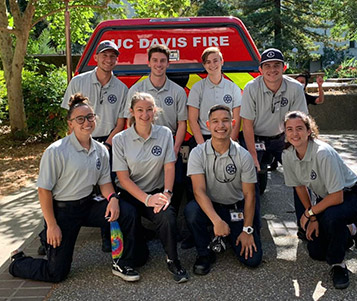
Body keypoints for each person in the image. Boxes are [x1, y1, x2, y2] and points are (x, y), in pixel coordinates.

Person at [9, 94, 142, 283]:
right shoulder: (56, 151)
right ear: (70, 123)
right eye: (80, 119)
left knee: (126, 212)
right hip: (64, 211)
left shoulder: (101, 150)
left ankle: (122, 262)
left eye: (90, 117)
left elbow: (104, 182)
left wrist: (112, 199)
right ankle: (18, 261)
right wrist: (52, 225)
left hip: (88, 205)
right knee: (56, 273)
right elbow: (44, 191)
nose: (86, 122)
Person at [282, 111, 357, 289]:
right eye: (289, 129)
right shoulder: (288, 155)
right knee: (315, 251)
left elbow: (337, 196)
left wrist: (309, 213)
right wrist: (313, 218)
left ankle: (338, 265)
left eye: (299, 128)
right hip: (328, 201)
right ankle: (352, 229)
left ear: (309, 131)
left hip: (353, 196)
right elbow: (300, 187)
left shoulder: (323, 153)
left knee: (332, 218)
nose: (294, 134)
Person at [113, 92, 189, 283]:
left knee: (167, 215)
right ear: (131, 112)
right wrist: (146, 199)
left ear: (155, 111)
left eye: (149, 110)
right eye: (139, 110)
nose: (145, 114)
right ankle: (127, 260)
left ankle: (173, 260)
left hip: (156, 191)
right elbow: (123, 178)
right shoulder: (120, 139)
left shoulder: (164, 134)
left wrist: (167, 194)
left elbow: (169, 166)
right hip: (130, 194)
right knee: (140, 256)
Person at [61, 40, 128, 252]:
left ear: (116, 60)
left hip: (107, 141)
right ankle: (50, 234)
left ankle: (108, 236)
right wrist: (75, 142)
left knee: (106, 189)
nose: (109, 60)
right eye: (104, 55)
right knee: (67, 187)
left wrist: (106, 146)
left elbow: (120, 123)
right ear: (96, 58)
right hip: (79, 139)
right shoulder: (78, 82)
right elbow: (69, 116)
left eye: (112, 56)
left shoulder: (122, 88)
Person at [184, 105, 263, 275]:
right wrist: (216, 220)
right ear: (208, 125)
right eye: (215, 121)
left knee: (253, 260)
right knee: (191, 210)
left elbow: (250, 196)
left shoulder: (244, 155)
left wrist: (247, 230)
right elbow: (198, 191)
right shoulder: (197, 153)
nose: (221, 125)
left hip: (236, 208)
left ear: (233, 123)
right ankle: (205, 253)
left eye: (225, 120)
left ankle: (230, 233)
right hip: (210, 207)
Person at [126, 44, 188, 212]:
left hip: (169, 145)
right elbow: (129, 122)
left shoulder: (178, 91)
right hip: (142, 144)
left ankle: (170, 214)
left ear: (168, 63)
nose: (158, 64)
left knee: (180, 180)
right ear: (148, 63)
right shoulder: (136, 90)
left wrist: (175, 149)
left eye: (162, 61)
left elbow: (182, 123)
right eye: (155, 60)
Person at [240, 48, 308, 195]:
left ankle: (307, 215)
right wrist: (252, 156)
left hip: (282, 138)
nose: (272, 69)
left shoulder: (295, 88)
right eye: (267, 66)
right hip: (256, 137)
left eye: (276, 65)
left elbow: (300, 121)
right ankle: (252, 218)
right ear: (260, 69)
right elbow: (247, 124)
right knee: (251, 180)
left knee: (301, 175)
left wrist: (301, 152)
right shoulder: (251, 88)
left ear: (284, 67)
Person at [188, 47, 242, 146]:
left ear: (222, 62)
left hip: (226, 137)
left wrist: (230, 143)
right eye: (208, 62)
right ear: (204, 65)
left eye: (215, 61)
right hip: (205, 137)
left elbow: (237, 119)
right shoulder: (197, 88)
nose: (212, 65)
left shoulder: (233, 88)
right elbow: (192, 119)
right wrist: (202, 145)